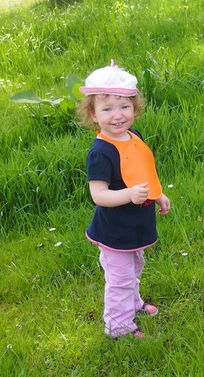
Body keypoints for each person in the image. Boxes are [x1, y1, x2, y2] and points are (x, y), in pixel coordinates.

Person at [77, 61, 170, 339]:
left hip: (136, 225)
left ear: (135, 107)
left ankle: (132, 304)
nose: (117, 116)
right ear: (93, 114)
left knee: (135, 267)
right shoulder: (101, 152)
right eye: (107, 109)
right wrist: (128, 195)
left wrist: (158, 195)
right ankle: (118, 327)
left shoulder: (134, 137)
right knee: (119, 279)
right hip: (114, 231)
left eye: (124, 107)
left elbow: (142, 171)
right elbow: (99, 195)